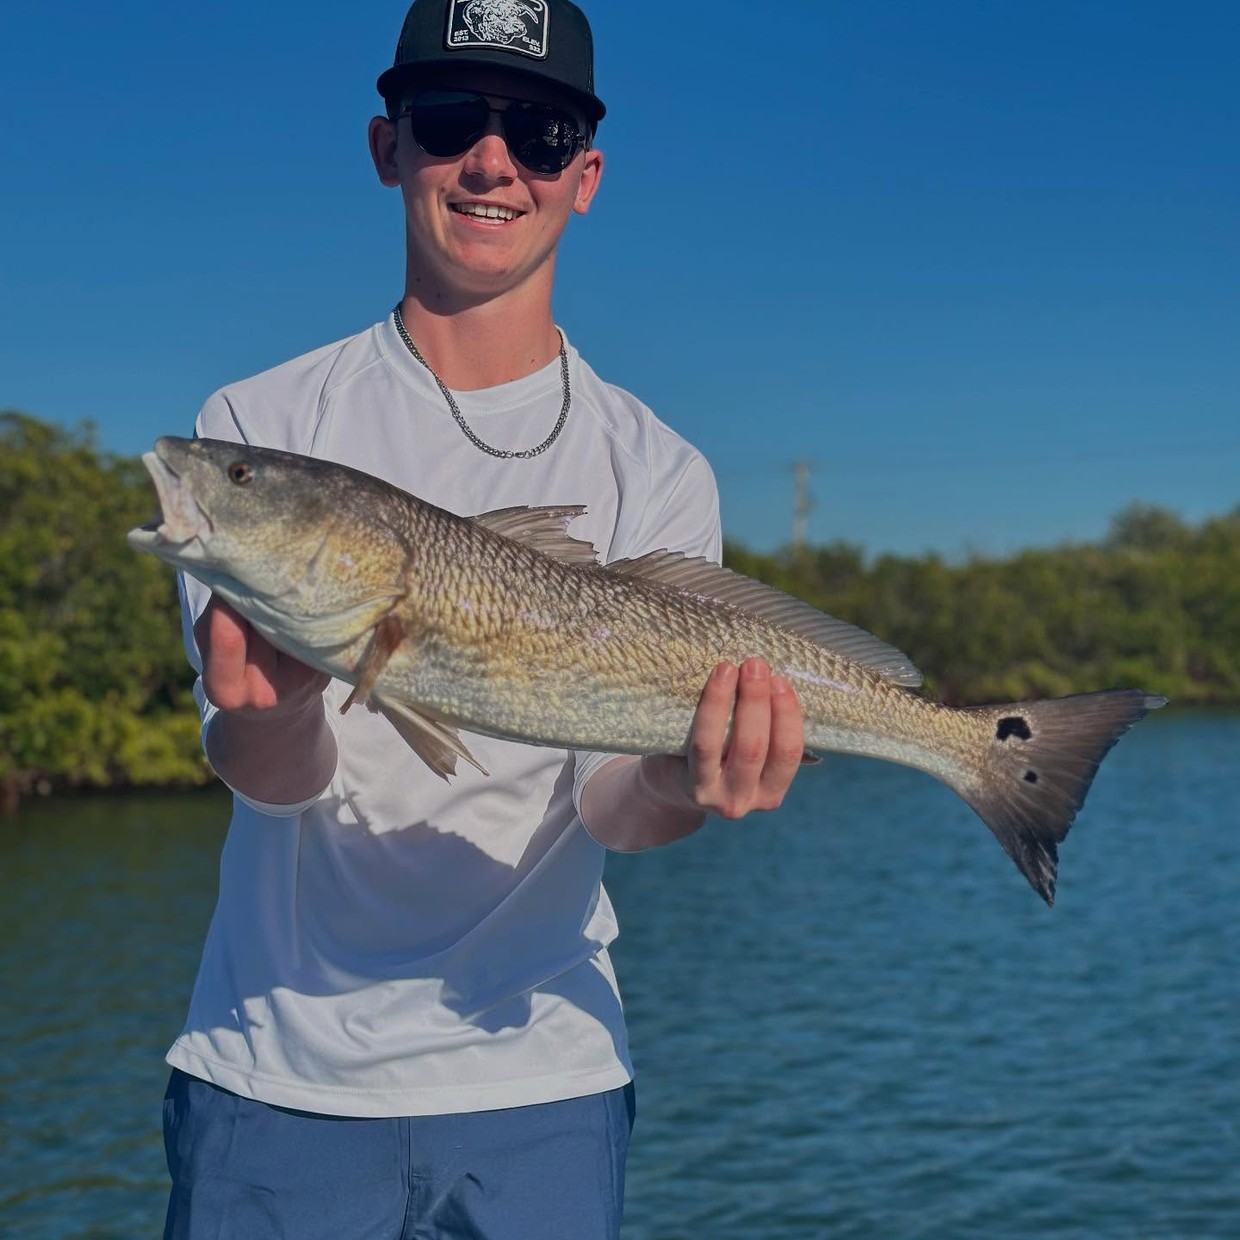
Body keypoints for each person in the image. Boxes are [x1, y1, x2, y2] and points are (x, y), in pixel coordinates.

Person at [162, 2, 805, 1237]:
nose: (494, 161)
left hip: (543, 1079)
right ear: (387, 146)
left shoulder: (657, 466)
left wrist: (686, 771)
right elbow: (270, 778)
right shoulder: (258, 430)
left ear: (586, 176)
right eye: (451, 119)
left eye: (541, 129)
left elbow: (609, 807)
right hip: (274, 1071)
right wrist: (273, 709)